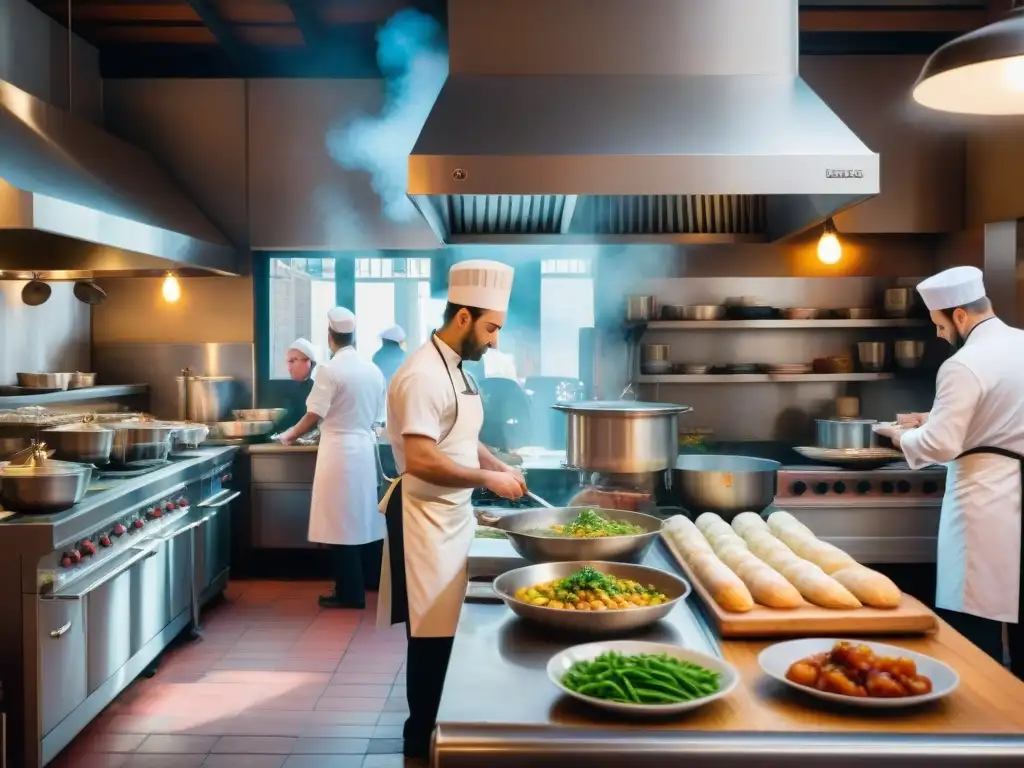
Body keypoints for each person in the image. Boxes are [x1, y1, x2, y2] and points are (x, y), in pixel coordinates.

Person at [376, 260, 528, 760]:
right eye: (491, 328)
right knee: (431, 633)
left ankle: (445, 723)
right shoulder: (420, 374)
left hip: (453, 515)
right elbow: (420, 459)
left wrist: (495, 460)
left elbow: (462, 436)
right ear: (463, 317)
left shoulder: (455, 367)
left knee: (449, 627)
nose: (495, 340)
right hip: (424, 517)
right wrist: (489, 479)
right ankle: (420, 738)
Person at [874, 266, 1024, 679]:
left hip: (984, 494)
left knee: (974, 610)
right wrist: (935, 416)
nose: (940, 335)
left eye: (940, 325)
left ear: (959, 316)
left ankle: (979, 709)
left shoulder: (963, 363)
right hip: (1015, 484)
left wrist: (895, 435)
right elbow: (1003, 414)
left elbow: (940, 446)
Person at [279, 307, 387, 609]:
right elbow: (379, 418)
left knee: (340, 521)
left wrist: (288, 435)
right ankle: (368, 582)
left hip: (339, 451)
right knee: (363, 518)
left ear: (330, 337)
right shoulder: (372, 369)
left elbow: (314, 414)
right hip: (365, 450)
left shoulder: (329, 370)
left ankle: (349, 594)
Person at [279, 338, 318, 434]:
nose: (289, 368)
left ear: (308, 362)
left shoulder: (316, 390)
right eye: (288, 362)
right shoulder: (294, 390)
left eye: (293, 361)